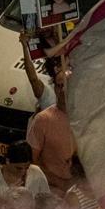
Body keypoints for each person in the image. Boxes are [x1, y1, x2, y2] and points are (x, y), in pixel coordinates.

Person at [25, 68, 76, 196]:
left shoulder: (87, 116)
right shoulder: (43, 120)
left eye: (67, 85)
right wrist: (58, 182)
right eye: (59, 86)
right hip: (52, 192)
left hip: (82, 193)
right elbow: (31, 160)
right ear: (54, 88)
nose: (63, 90)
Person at [0, 140, 50, 206]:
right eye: (18, 168)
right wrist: (2, 200)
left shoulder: (36, 172)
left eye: (27, 167)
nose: (23, 172)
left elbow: (47, 205)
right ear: (8, 161)